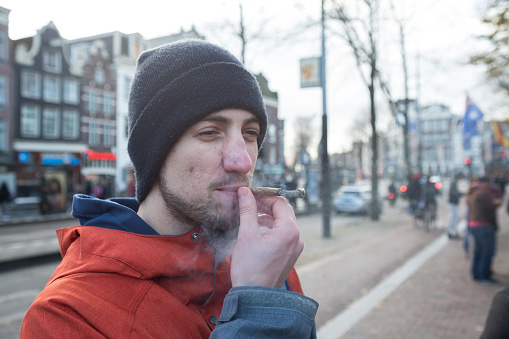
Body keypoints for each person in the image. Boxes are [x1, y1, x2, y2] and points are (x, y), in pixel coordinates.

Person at [20, 39, 318, 338]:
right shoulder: (67, 314)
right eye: (210, 132)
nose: (242, 161)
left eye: (250, 133)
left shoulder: (270, 263)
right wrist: (257, 309)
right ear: (155, 152)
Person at [466, 176, 501, 285]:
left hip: (474, 225)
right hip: (484, 225)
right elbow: (490, 207)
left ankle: (476, 273)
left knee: (478, 251)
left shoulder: (472, 192)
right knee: (487, 252)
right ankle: (484, 275)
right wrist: (496, 203)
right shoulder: (482, 193)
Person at [447, 174, 463, 239]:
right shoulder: (453, 184)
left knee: (454, 217)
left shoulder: (454, 183)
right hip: (452, 203)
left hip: (453, 203)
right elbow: (453, 193)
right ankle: (452, 232)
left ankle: (452, 232)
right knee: (454, 218)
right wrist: (460, 194)